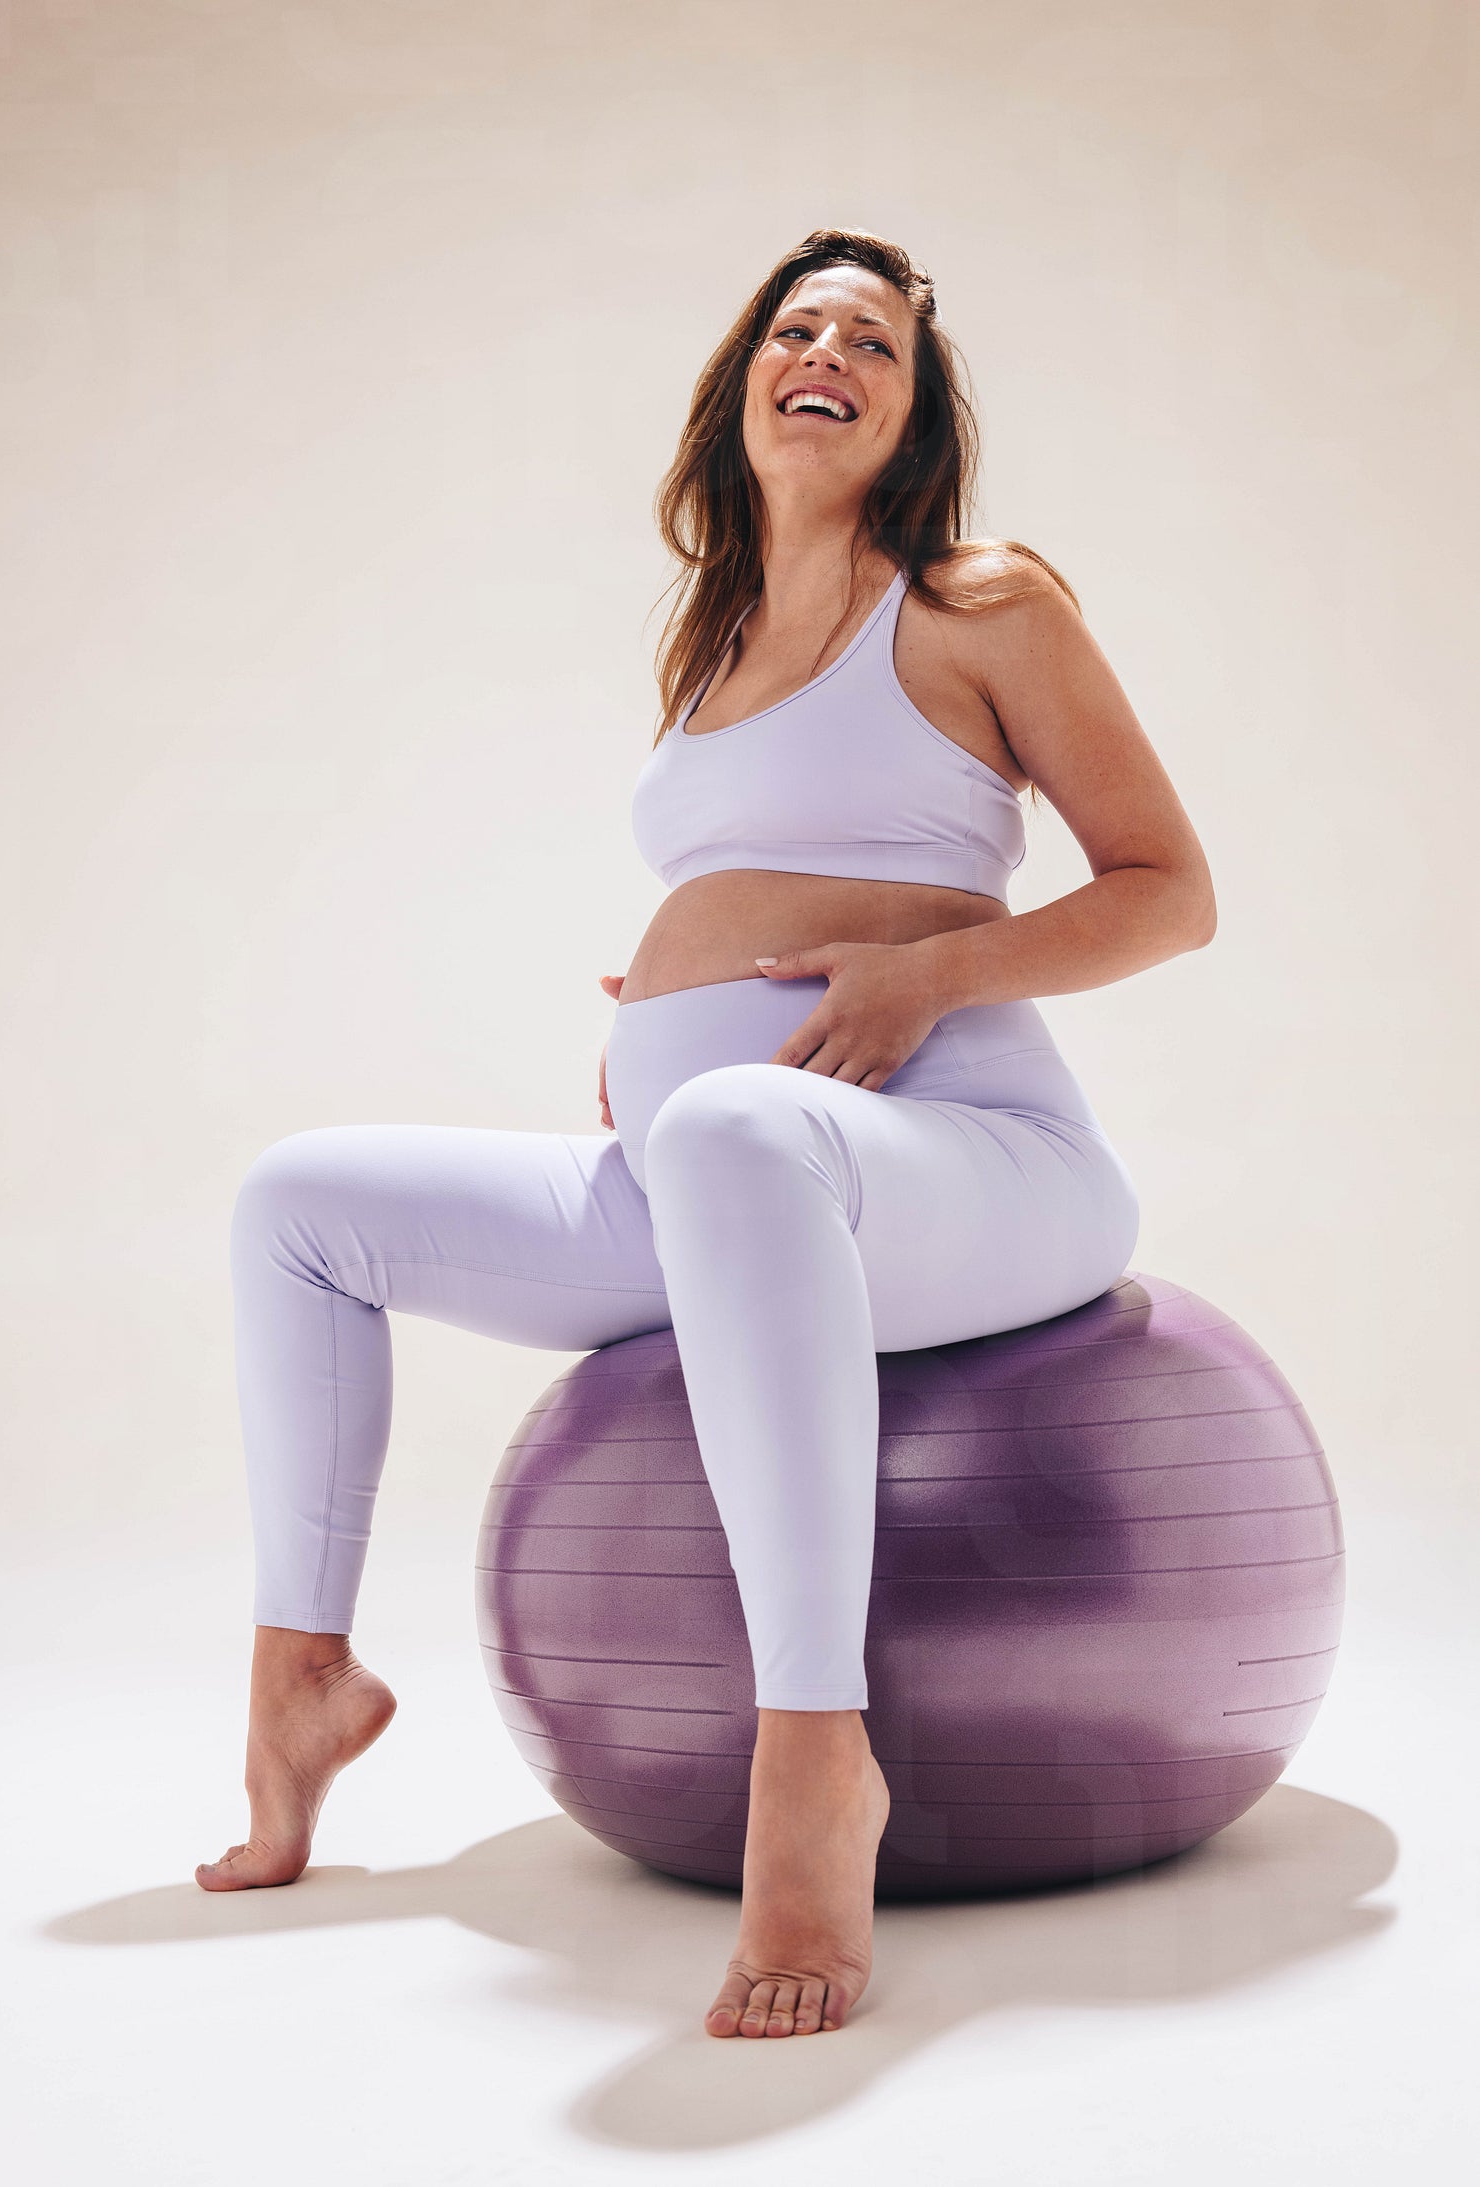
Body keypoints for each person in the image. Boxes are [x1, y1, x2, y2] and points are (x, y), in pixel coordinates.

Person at [197, 227, 1216, 2043]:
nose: (827, 353)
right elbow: (775, 884)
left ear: (914, 414)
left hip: (976, 1156)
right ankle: (304, 1680)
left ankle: (814, 1757)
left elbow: (1168, 891)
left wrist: (928, 977)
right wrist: (672, 1004)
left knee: (743, 1128)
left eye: (873, 343)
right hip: (730, 1166)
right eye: (796, 327)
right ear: (744, 380)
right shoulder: (715, 638)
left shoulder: (977, 602)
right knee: (300, 1203)